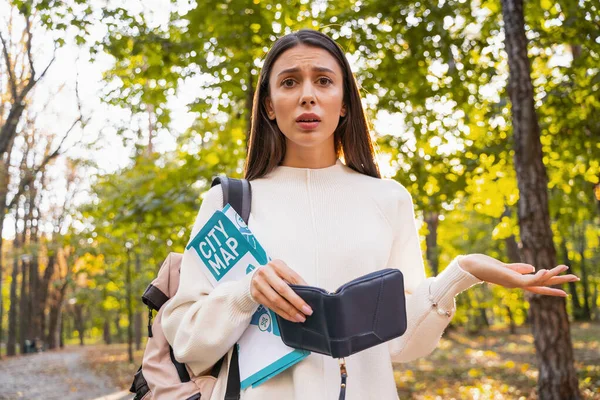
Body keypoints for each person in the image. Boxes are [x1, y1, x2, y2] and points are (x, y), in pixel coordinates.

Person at [161, 29, 580, 400]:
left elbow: (401, 345)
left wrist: (462, 272)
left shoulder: (388, 199)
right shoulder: (230, 204)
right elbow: (186, 340)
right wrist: (246, 292)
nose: (307, 94)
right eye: (289, 82)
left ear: (343, 103)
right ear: (269, 106)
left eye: (324, 81)